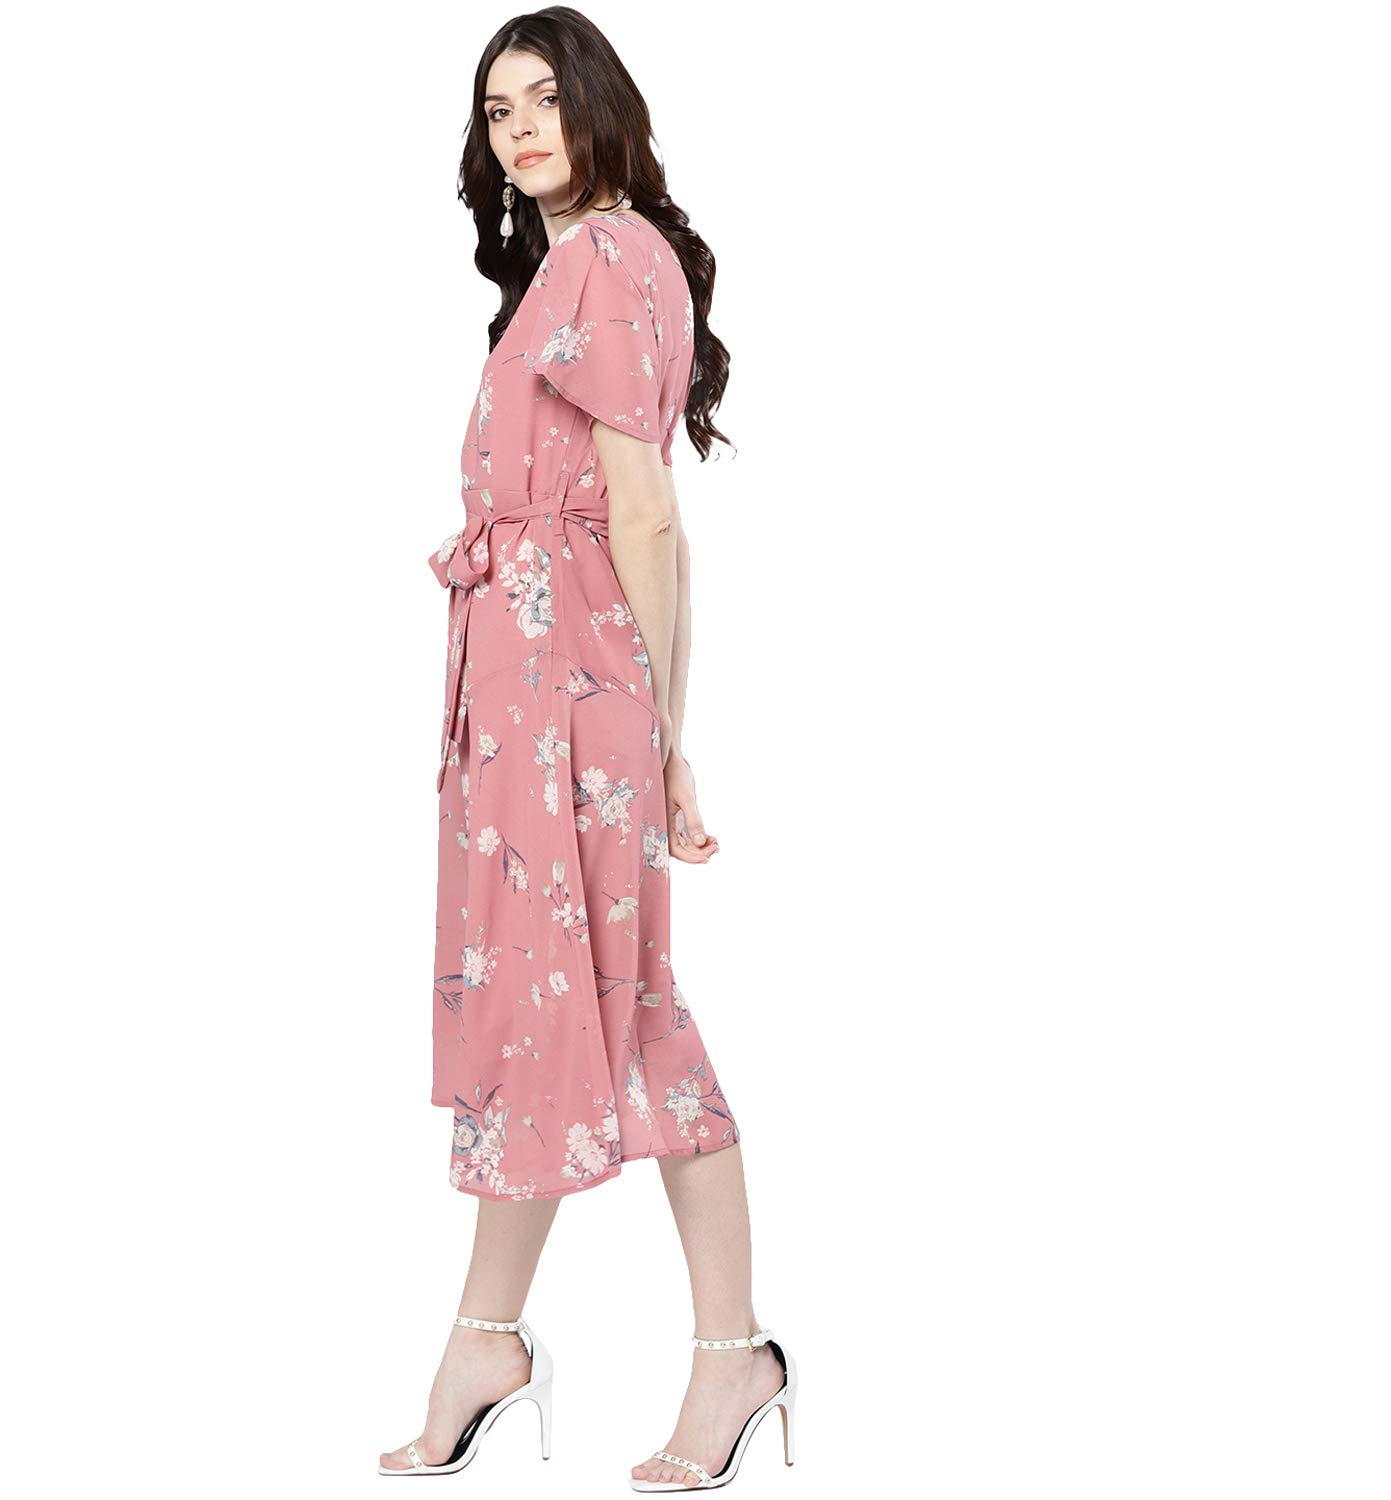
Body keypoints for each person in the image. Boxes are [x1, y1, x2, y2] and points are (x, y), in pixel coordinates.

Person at [378, 10, 796, 1491]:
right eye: (497, 111)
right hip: (537, 686)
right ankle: (514, 1343)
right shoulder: (596, 262)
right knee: (577, 1005)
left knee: (596, 1001)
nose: (520, 129)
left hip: (565, 691)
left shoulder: (608, 260)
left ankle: (643, 1352)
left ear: (601, 105)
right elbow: (642, 517)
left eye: (545, 99)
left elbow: (648, 514)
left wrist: (664, 740)